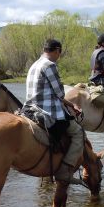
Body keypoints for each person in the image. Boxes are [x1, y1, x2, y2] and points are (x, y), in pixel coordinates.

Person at [24, 38, 84, 182]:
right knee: (78, 133)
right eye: (59, 53)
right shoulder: (50, 65)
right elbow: (60, 94)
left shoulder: (35, 64)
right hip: (46, 111)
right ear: (57, 50)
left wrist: (71, 105)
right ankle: (64, 170)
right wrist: (71, 106)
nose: (59, 56)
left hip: (29, 108)